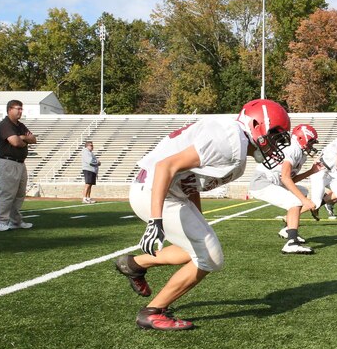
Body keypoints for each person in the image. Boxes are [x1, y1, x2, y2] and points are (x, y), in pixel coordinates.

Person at [113, 98, 291, 331]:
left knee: (193, 250)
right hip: (155, 192)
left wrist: (199, 218)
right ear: (257, 125)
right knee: (210, 257)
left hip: (167, 193)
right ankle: (152, 312)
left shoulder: (232, 140)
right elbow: (165, 167)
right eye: (275, 135)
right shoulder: (229, 142)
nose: (276, 145)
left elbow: (191, 185)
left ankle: (134, 264)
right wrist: (155, 220)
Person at [248, 123, 321, 254]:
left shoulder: (300, 154)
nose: (311, 145)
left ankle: (287, 230)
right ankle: (292, 242)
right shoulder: (293, 149)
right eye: (310, 142)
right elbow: (285, 179)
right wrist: (305, 201)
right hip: (262, 182)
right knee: (296, 201)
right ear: (301, 138)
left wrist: (311, 171)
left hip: (272, 182)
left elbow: (289, 180)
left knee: (302, 191)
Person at [0, 99, 37, 231]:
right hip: (8, 162)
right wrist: (24, 139)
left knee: (19, 194)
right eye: (17, 108)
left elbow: (33, 139)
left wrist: (22, 138)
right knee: (7, 193)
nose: (20, 111)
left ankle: (15, 221)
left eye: (21, 109)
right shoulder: (5, 124)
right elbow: (16, 142)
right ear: (9, 109)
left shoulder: (20, 125)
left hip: (20, 163)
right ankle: (0, 221)